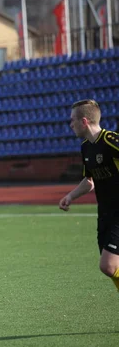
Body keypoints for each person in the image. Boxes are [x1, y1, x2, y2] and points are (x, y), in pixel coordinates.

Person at [60, 99, 119, 293]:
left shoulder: (110, 140)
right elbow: (89, 181)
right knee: (112, 268)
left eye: (72, 120)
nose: (71, 125)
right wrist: (70, 196)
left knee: (108, 265)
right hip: (105, 214)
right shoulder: (86, 147)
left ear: (84, 121)